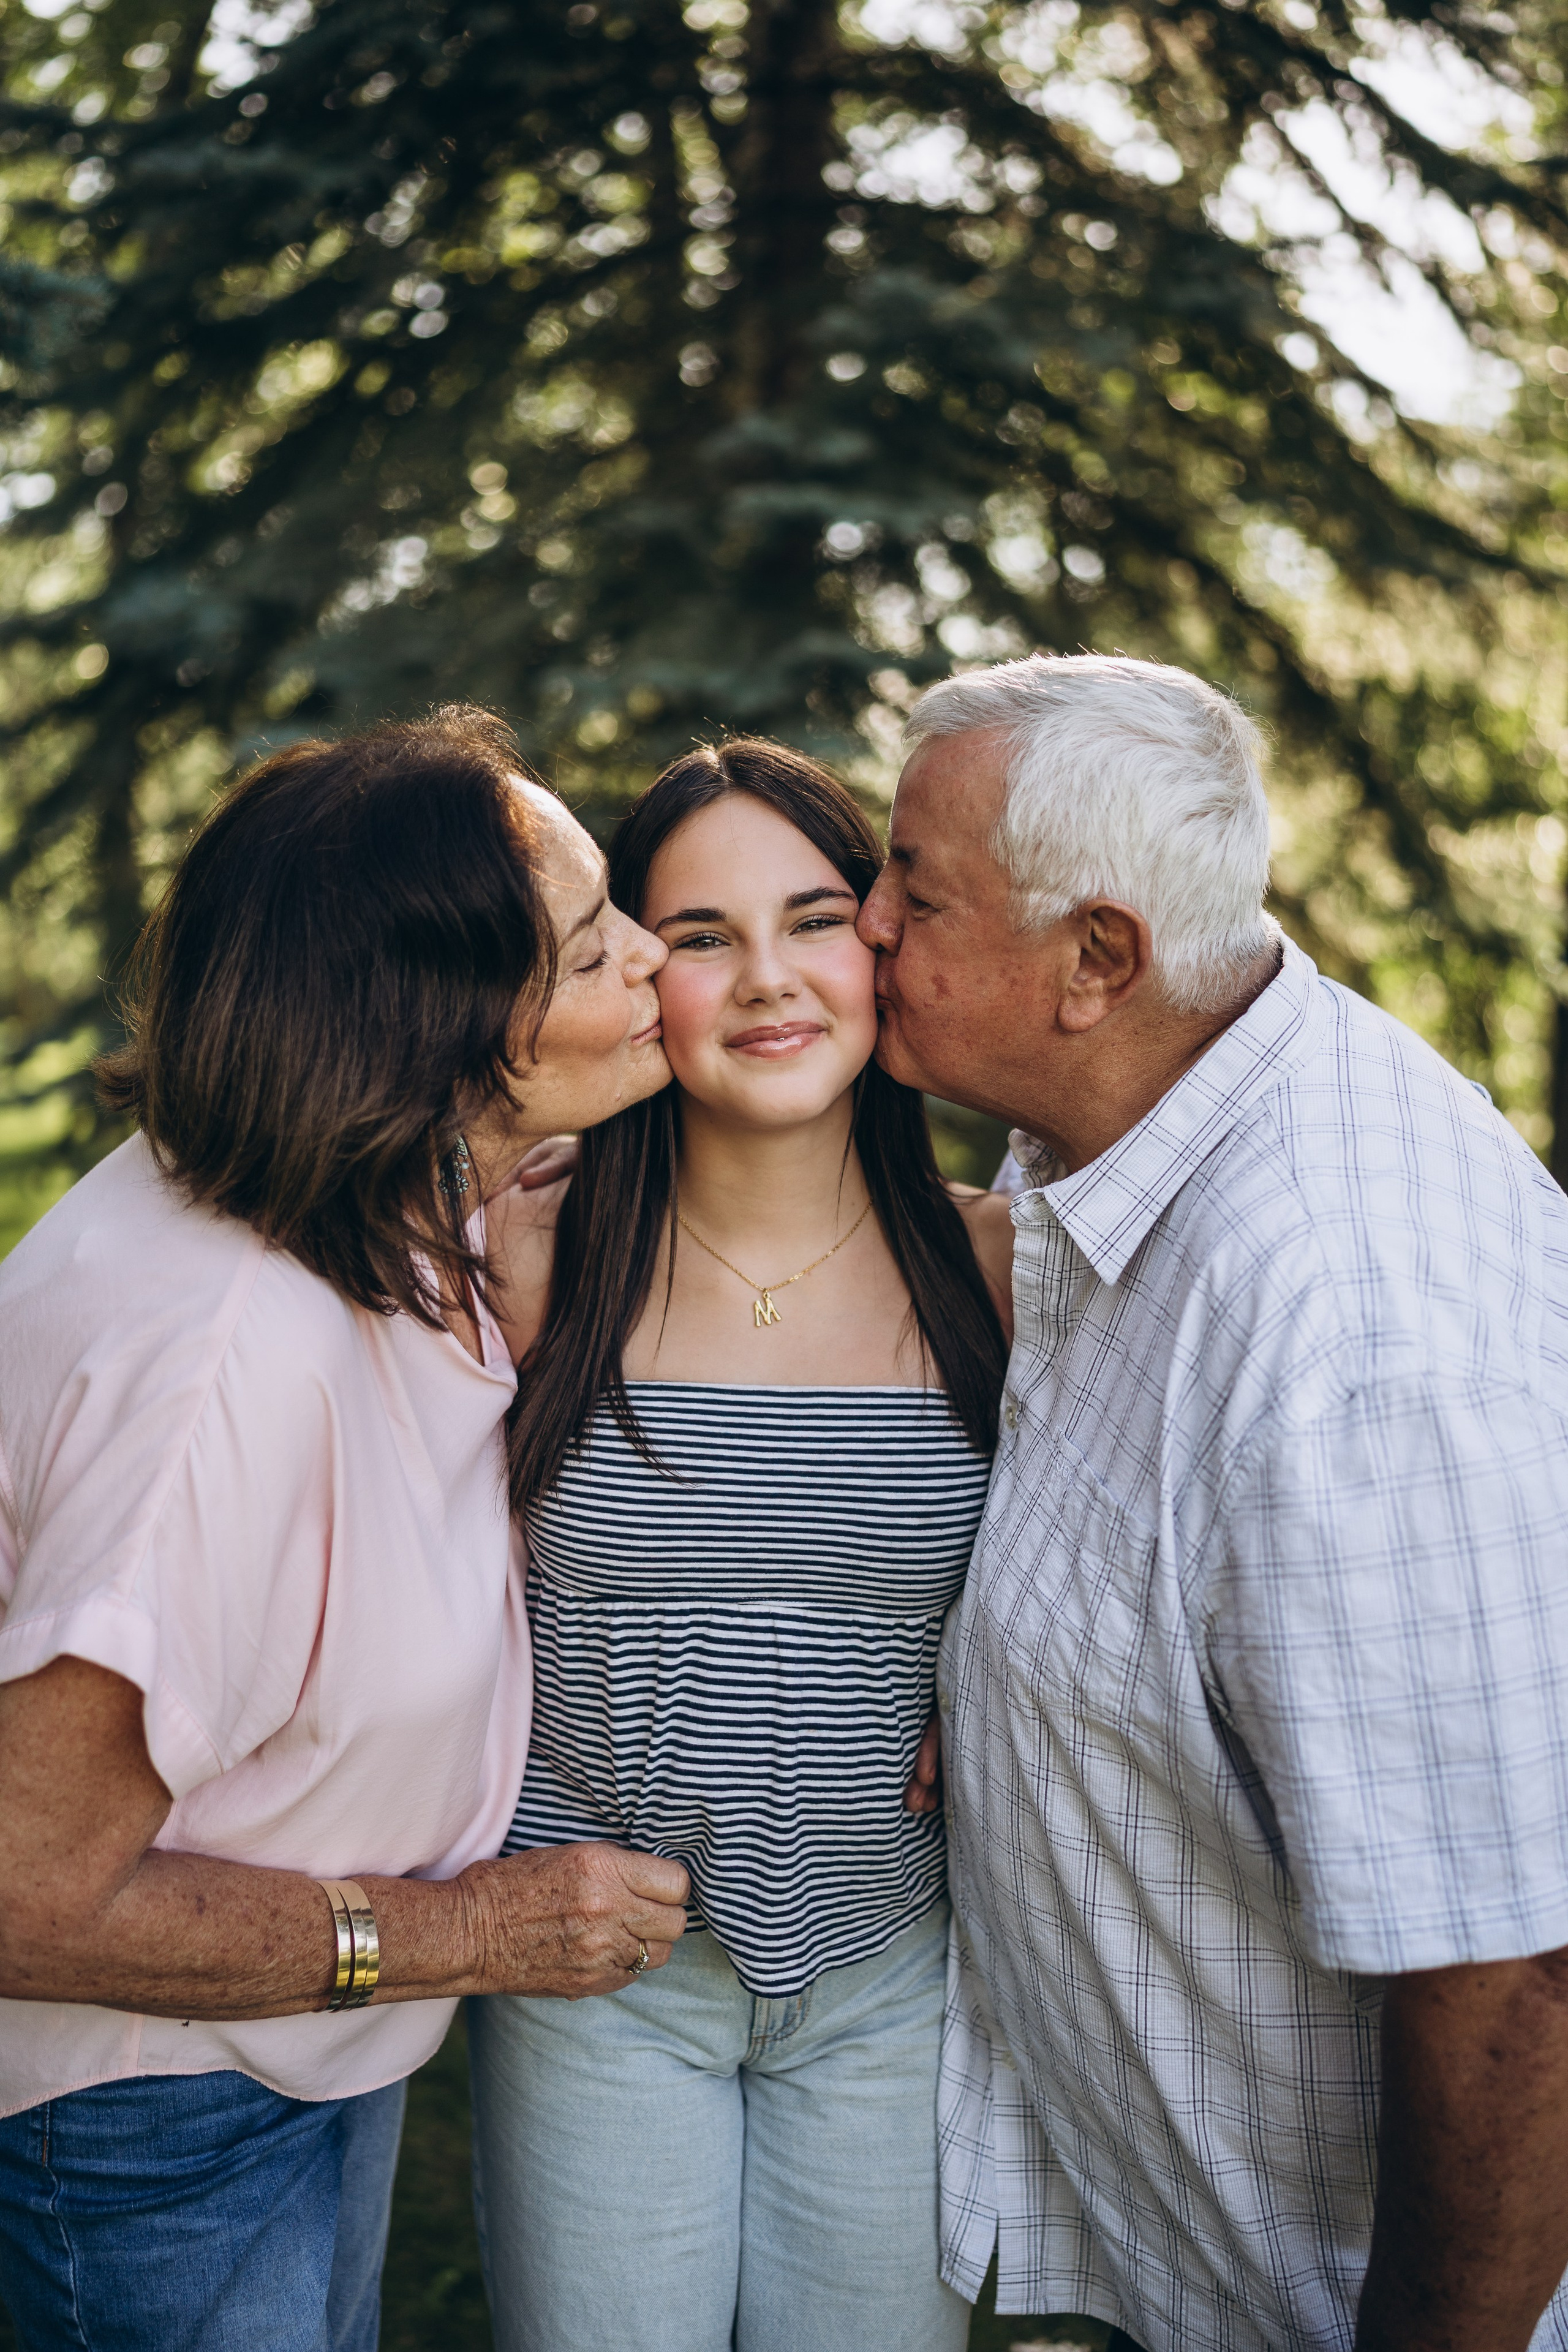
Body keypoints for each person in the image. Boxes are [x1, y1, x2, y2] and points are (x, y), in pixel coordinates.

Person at [865, 652, 1568, 2352]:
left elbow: (1519, 1980)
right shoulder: (1126, 1112)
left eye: (915, 891)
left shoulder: (1361, 1355)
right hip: (1168, 2266)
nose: (863, 922)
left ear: (1097, 960)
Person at [0, 707, 690, 2352]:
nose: (655, 955)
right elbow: (24, 1891)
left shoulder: (367, 1198)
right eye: (593, 945)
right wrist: (475, 1932)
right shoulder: (220, 1364)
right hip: (154, 2112)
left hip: (294, 2043)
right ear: (441, 1039)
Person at [467, 738, 1015, 2352]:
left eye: (815, 919)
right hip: (598, 1975)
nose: (769, 977)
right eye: (704, 936)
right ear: (642, 976)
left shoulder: (1002, 1270)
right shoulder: (531, 1250)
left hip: (896, 1969)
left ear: (883, 940)